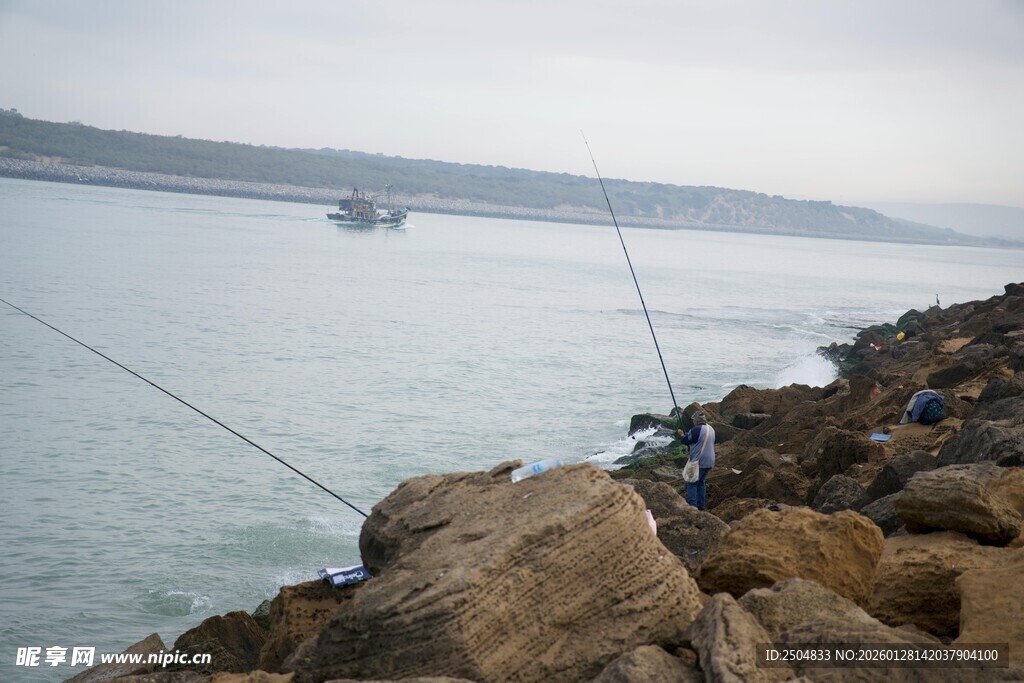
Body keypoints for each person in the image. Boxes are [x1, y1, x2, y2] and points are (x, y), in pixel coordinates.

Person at [677, 410, 716, 510]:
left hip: (699, 462)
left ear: (697, 421)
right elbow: (697, 441)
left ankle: (693, 508)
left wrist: (681, 434)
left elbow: (685, 440)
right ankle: (700, 506)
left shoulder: (696, 429)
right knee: (701, 482)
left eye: (694, 420)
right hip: (709, 461)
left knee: (692, 483)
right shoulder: (711, 429)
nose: (693, 422)